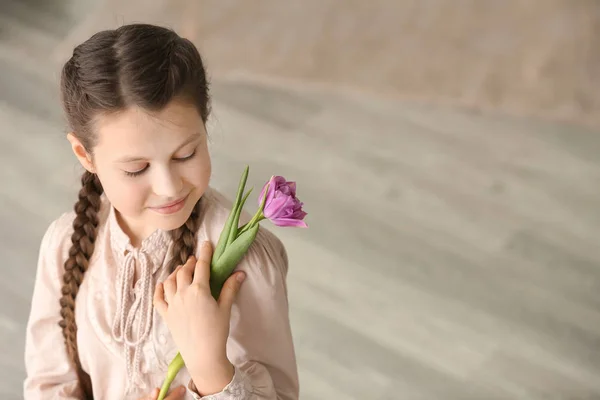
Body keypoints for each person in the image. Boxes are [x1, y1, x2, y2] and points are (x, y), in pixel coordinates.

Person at [23, 23, 299, 400]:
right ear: (85, 156)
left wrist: (209, 367)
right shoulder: (63, 245)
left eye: (186, 154)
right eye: (136, 168)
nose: (170, 187)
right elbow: (47, 384)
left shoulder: (248, 258)